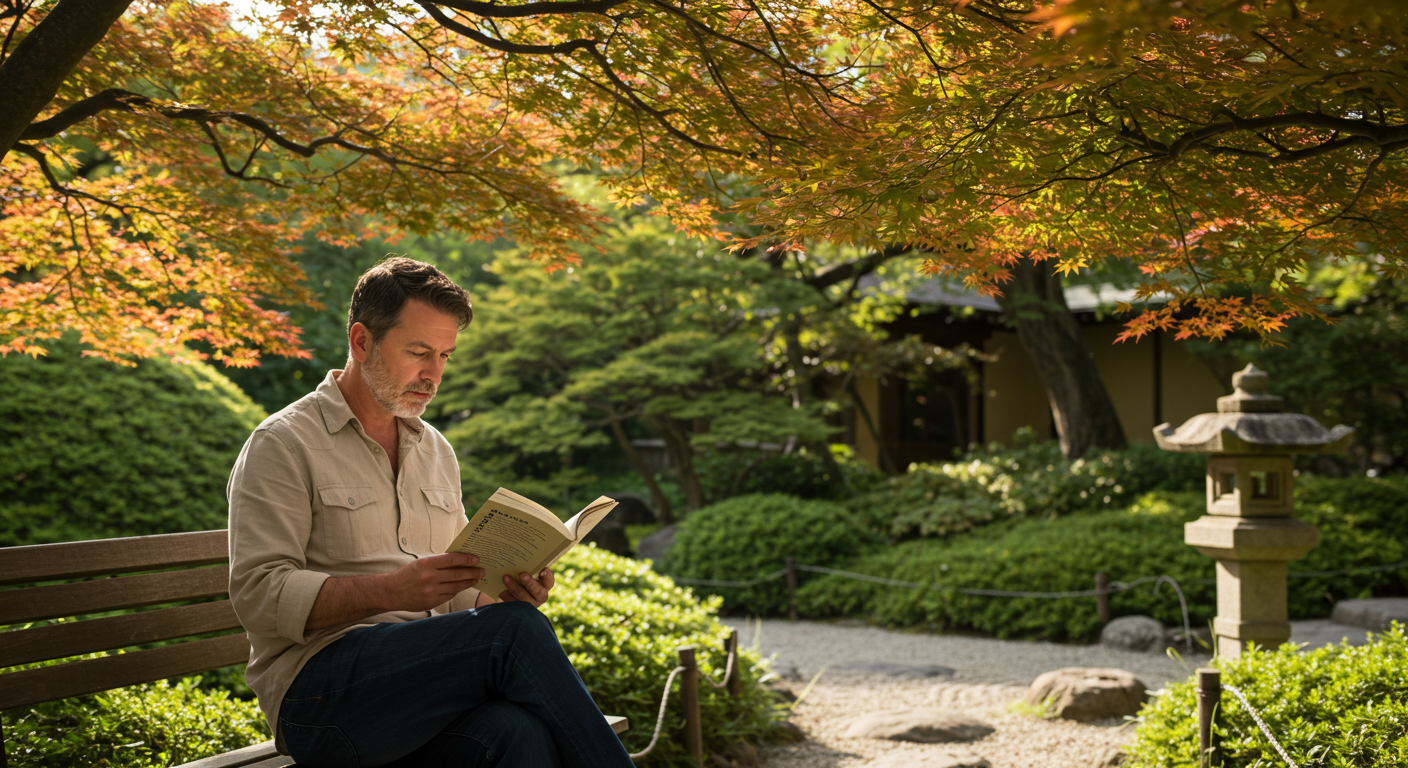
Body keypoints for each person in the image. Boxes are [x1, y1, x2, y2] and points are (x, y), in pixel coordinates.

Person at [227, 257, 635, 768]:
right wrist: (393, 591)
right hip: (320, 700)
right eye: (419, 352)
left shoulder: (434, 449)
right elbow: (257, 595)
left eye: (445, 355)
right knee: (513, 634)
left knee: (514, 731)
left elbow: (456, 595)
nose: (434, 373)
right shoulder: (283, 444)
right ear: (361, 341)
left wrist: (505, 594)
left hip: (420, 694)